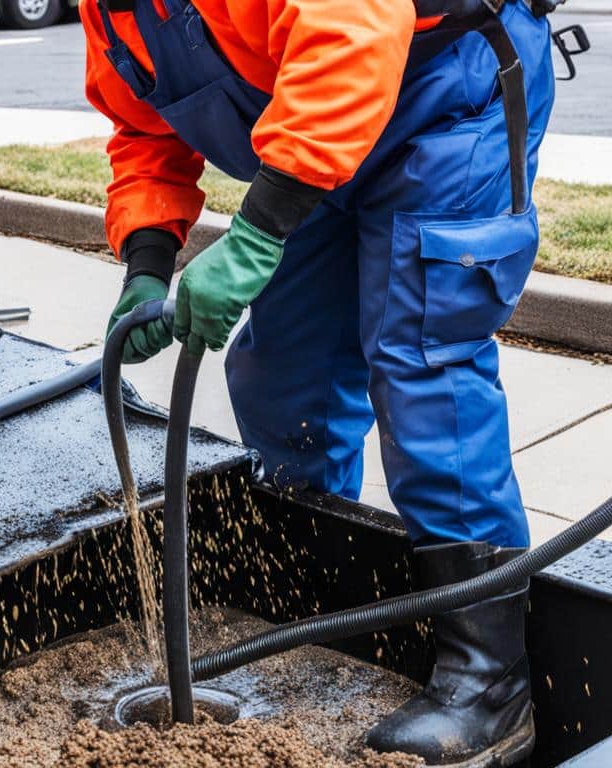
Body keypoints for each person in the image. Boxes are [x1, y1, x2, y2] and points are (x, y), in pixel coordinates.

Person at [83, 0, 556, 764]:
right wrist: (145, 264)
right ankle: (318, 610)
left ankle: (490, 683)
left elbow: (353, 30)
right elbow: (144, 128)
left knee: (421, 360)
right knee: (284, 372)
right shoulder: (110, 14)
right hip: (320, 131)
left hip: (443, 97)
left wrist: (258, 233)